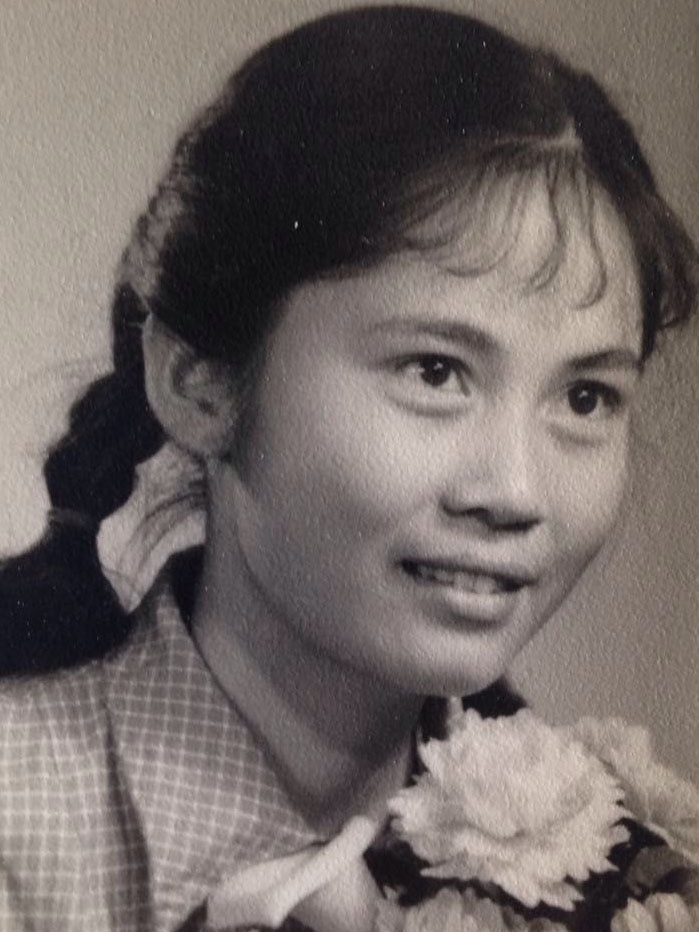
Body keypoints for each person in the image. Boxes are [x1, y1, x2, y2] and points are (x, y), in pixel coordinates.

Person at [0, 4, 696, 931]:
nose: (515, 493)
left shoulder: (634, 876)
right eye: (434, 371)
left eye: (584, 398)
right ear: (199, 385)